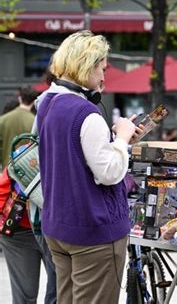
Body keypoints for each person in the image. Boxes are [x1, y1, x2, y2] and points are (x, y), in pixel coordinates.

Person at [36, 30, 140, 303]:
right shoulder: (86, 113)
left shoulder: (47, 102)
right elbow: (109, 173)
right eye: (102, 68)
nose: (105, 77)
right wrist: (123, 138)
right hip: (93, 232)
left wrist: (116, 140)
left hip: (58, 226)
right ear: (87, 65)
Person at [0, 86, 57, 304]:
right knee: (58, 291)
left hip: (19, 228)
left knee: (24, 295)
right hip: (46, 229)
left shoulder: (5, 121)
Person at [0, 87, 38, 168]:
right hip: (28, 169)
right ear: (34, 101)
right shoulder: (36, 121)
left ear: (20, 98)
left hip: (7, 168)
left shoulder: (3, 119)